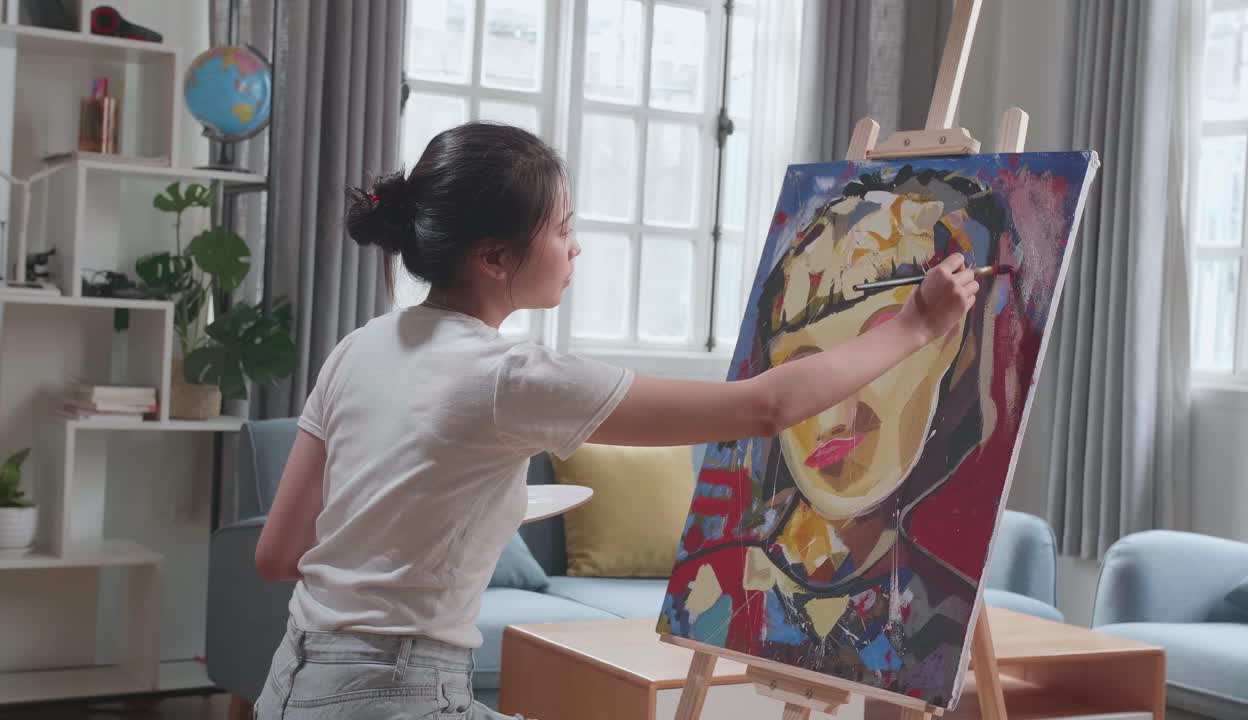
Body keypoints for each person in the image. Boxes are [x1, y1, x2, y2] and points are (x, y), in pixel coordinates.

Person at [252, 122, 978, 719]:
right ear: (495, 256)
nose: (575, 247)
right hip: (398, 697)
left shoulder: (358, 348)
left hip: (293, 681)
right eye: (562, 229)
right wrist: (912, 325)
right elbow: (766, 407)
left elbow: (279, 555)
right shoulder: (511, 378)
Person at [660, 165, 1007, 703]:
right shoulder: (709, 590)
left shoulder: (942, 610)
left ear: (944, 343)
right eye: (802, 365)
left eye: (875, 348)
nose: (834, 409)